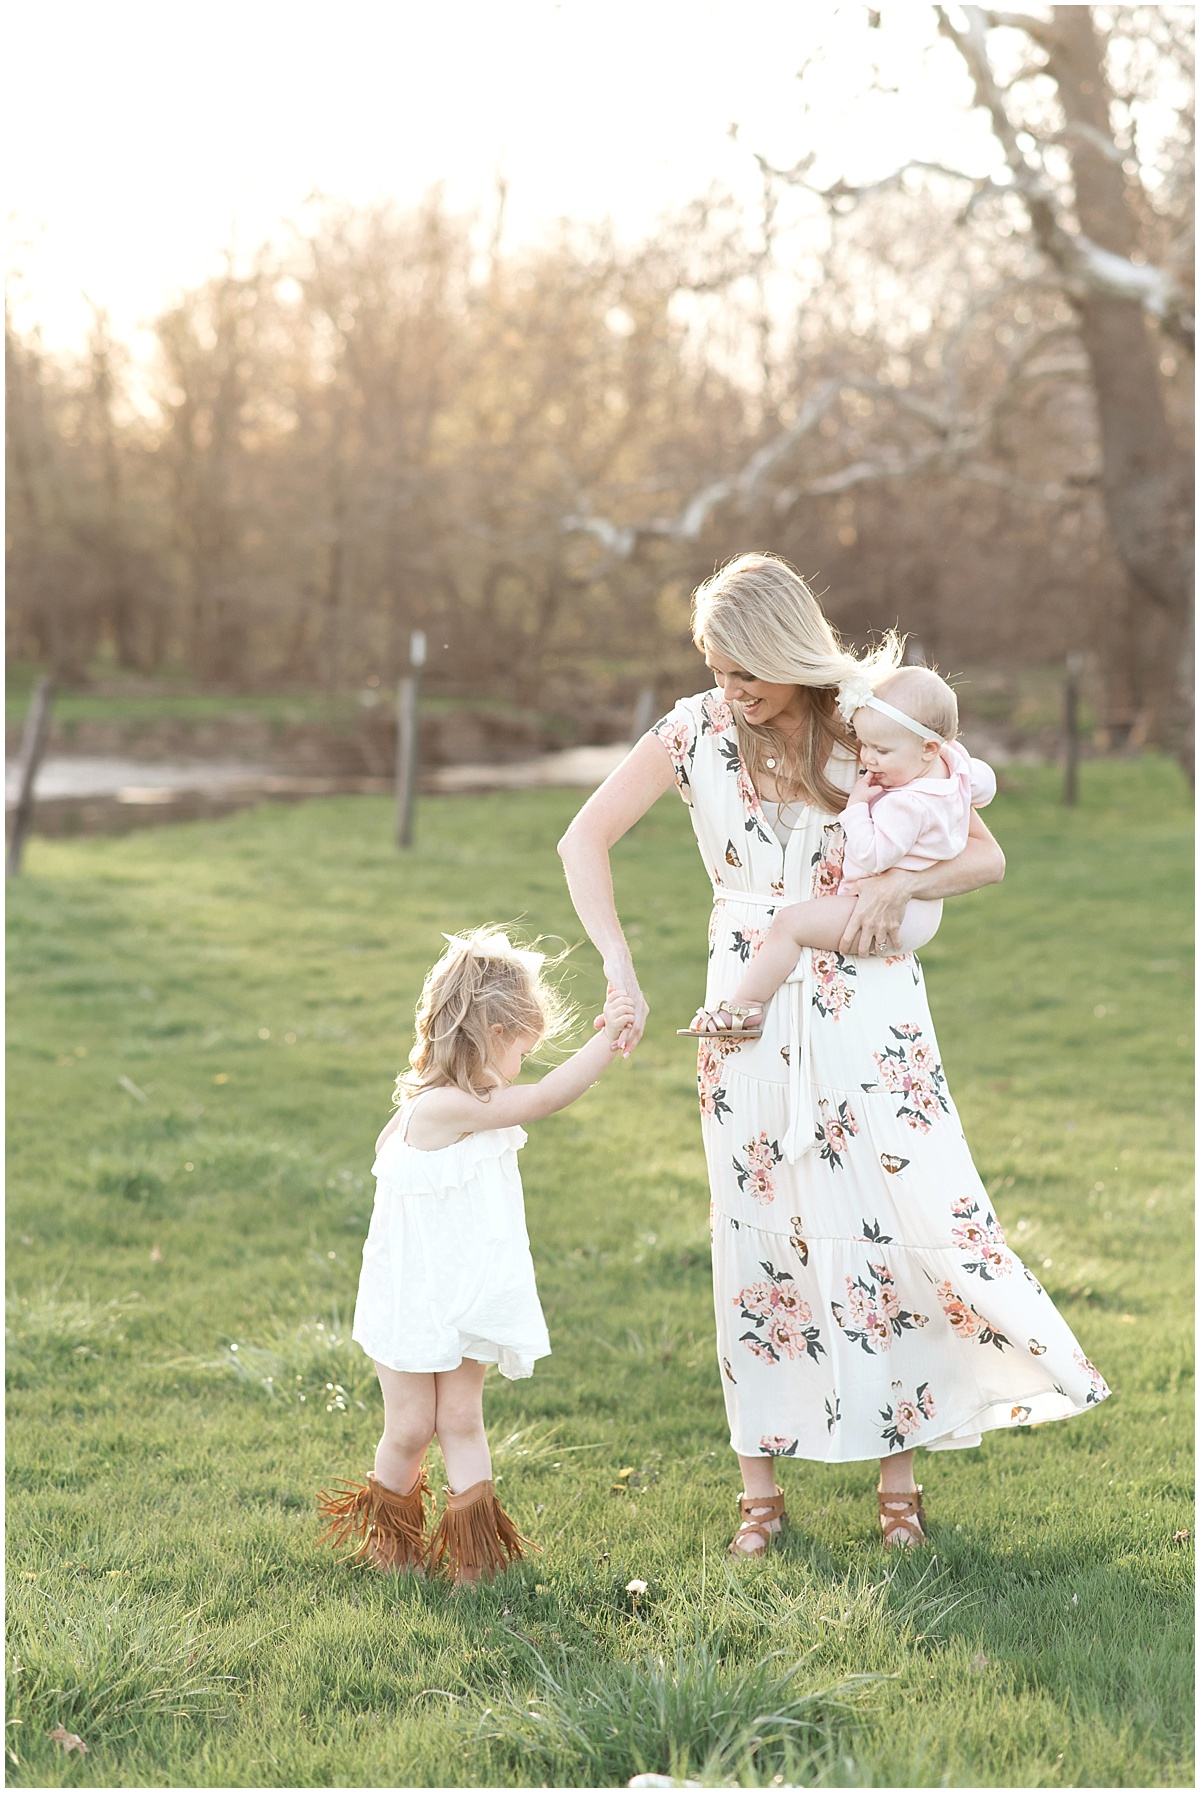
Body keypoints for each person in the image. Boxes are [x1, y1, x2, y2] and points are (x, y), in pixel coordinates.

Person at [558, 552, 1109, 1555]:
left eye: (745, 669)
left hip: (867, 999)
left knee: (886, 1222)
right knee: (756, 1231)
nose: (731, 688)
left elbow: (983, 853)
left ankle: (898, 1485)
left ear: (786, 647)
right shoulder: (692, 729)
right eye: (716, 667)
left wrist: (902, 888)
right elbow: (581, 839)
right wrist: (620, 970)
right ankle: (758, 1490)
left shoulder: (870, 716)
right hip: (748, 1002)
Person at [318, 927, 635, 1586]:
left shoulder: (453, 1105)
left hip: (460, 1292)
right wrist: (610, 1039)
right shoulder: (441, 1108)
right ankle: (393, 1543)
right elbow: (545, 1098)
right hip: (409, 1296)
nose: (523, 1064)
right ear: (488, 1036)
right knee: (409, 1425)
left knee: (460, 1417)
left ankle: (474, 1562)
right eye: (522, 1048)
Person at [683, 664, 997, 1039]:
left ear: (929, 747)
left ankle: (745, 1007)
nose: (867, 759)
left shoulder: (906, 805)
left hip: (900, 912)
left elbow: (870, 855)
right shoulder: (955, 765)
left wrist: (857, 807)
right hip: (923, 907)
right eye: (864, 745)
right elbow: (985, 787)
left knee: (791, 925)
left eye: (881, 750)